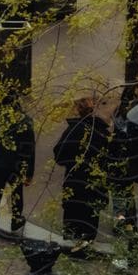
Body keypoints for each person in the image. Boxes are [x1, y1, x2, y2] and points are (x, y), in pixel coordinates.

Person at [53, 97, 111, 249]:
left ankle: (73, 244)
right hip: (94, 183)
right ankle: (86, 243)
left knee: (73, 215)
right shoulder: (102, 133)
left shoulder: (73, 130)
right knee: (90, 216)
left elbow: (59, 154)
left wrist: (71, 162)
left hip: (75, 180)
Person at [0, 104, 35, 253]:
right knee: (17, 193)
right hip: (15, 166)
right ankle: (16, 220)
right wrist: (29, 172)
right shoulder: (25, 121)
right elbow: (30, 148)